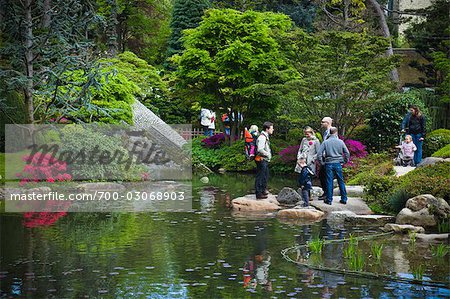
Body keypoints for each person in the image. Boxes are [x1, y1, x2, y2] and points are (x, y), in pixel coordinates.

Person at [317, 127, 350, 205]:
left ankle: (329, 199)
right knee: (340, 181)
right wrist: (345, 161)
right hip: (338, 163)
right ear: (336, 132)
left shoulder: (326, 142)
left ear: (330, 133)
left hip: (328, 163)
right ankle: (344, 198)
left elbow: (319, 154)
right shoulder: (340, 142)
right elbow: (347, 153)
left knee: (329, 181)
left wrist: (322, 162)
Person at [255, 122, 273, 199]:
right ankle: (259, 193)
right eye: (272, 128)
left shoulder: (265, 136)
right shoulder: (262, 137)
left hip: (263, 159)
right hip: (261, 159)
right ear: (267, 129)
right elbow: (260, 149)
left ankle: (262, 190)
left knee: (265, 175)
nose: (273, 130)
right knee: (261, 176)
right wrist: (268, 154)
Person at [318, 117, 333, 200]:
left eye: (323, 122)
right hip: (325, 156)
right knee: (322, 175)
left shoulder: (331, 132)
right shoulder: (326, 132)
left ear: (327, 123)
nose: (321, 123)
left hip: (329, 157)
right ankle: (326, 192)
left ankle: (327, 194)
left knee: (325, 175)